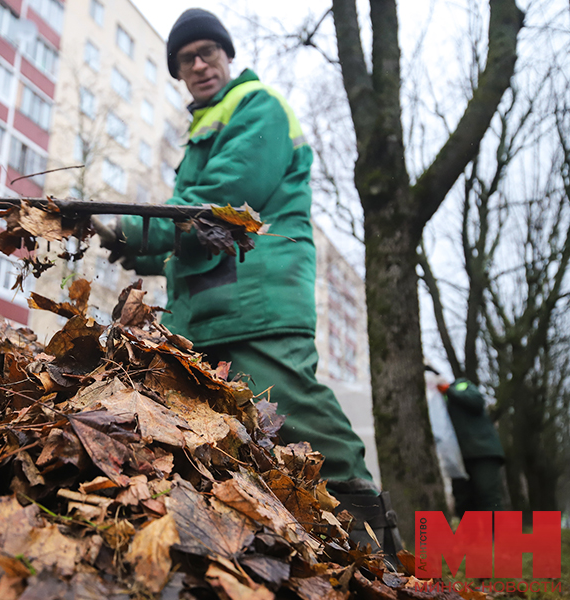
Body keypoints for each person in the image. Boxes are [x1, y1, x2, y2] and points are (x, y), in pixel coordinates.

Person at [100, 8, 402, 558]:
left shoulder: (257, 106)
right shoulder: (204, 129)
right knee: (232, 432)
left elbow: (224, 201)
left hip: (257, 301)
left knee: (294, 414)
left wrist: (131, 228)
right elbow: (197, 230)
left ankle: (377, 550)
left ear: (226, 55)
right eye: (186, 59)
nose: (198, 64)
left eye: (206, 52)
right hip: (216, 306)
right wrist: (141, 249)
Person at [436, 379, 505, 515]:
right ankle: (471, 535)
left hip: (483, 452)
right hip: (457, 457)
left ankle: (494, 534)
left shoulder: (461, 385)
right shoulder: (434, 399)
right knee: (463, 500)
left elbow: (476, 401)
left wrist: (449, 390)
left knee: (486, 494)